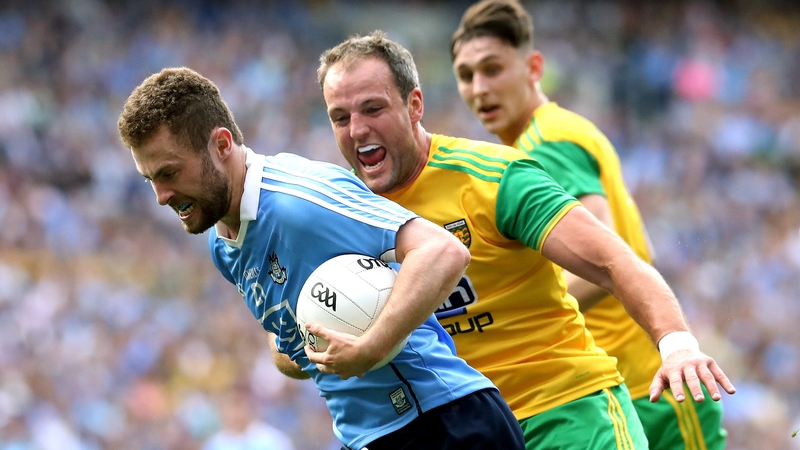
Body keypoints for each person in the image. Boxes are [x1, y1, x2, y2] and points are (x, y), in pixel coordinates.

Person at [317, 30, 735, 450]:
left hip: (565, 411)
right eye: (340, 117)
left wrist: (677, 346)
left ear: (414, 106)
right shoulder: (338, 213)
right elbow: (287, 344)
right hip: (471, 430)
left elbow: (615, 261)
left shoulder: (497, 178)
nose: (357, 129)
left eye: (373, 109)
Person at [117, 67, 525, 450]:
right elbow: (295, 348)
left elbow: (442, 250)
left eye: (169, 173)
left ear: (222, 145)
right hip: (366, 434)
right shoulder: (222, 244)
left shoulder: (300, 199)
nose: (161, 196)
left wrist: (370, 346)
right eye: (150, 179)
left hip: (441, 421)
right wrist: (299, 348)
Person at [449, 1, 728, 448]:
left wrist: (514, 320)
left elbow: (608, 251)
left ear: (533, 67)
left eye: (493, 68)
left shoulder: (547, 142)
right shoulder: (546, 137)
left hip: (648, 388)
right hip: (628, 386)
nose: (479, 88)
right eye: (467, 76)